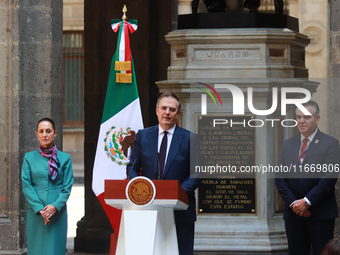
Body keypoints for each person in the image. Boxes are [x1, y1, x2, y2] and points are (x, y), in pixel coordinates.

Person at [126, 92, 201, 255]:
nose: (167, 112)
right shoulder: (143, 136)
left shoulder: (190, 138)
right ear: (157, 110)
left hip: (181, 211)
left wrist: (178, 193)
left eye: (172, 109)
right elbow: (132, 167)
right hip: (148, 209)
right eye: (164, 108)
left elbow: (197, 172)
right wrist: (141, 190)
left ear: (178, 114)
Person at [275, 101, 340, 255]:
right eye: (298, 117)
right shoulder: (287, 144)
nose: (301, 121)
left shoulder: (330, 144)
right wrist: (294, 204)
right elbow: (279, 177)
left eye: (306, 117)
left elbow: (329, 177)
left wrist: (306, 202)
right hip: (294, 215)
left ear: (317, 119)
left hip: (320, 213)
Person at [22, 117, 74, 255]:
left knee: (55, 250)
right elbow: (27, 185)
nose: (45, 135)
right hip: (36, 214)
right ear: (37, 134)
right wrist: (41, 210)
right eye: (41, 131)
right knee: (37, 250)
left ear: (55, 133)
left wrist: (55, 207)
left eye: (48, 131)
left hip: (58, 213)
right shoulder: (29, 158)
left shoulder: (65, 158)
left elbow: (67, 186)